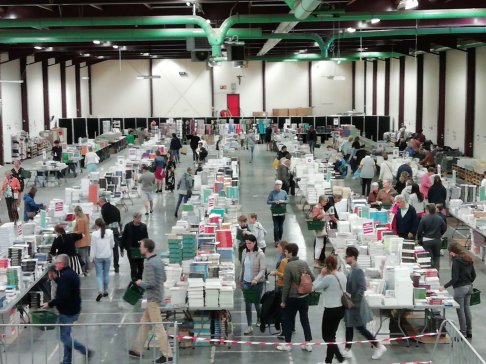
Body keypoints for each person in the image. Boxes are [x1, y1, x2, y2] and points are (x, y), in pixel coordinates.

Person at [42, 254, 94, 364]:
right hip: (73, 309)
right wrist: (56, 279)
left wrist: (50, 304)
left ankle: (85, 350)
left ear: (62, 264)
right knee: (66, 336)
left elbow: (62, 296)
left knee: (63, 337)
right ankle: (67, 361)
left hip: (67, 312)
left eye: (57, 263)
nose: (55, 265)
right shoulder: (69, 273)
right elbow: (66, 288)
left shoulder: (65, 276)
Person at [129, 239, 173, 363]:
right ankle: (137, 350)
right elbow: (163, 278)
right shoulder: (158, 260)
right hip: (158, 295)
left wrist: (139, 283)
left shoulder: (148, 263)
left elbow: (151, 283)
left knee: (158, 326)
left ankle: (167, 353)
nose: (139, 249)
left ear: (146, 249)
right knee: (144, 323)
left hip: (152, 298)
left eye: (141, 246)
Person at [343, 246, 386, 360]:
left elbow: (362, 288)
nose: (345, 258)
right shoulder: (352, 270)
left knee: (360, 327)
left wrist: (354, 302)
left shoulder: (357, 270)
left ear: (352, 257)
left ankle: (379, 345)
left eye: (347, 256)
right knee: (349, 325)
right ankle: (347, 349)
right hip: (351, 304)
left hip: (355, 305)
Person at [277, 243, 314, 352]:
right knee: (304, 320)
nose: (284, 253)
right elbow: (312, 277)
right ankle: (308, 343)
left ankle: (288, 344)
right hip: (304, 297)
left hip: (292, 298)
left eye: (286, 251)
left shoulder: (288, 266)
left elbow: (286, 285)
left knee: (288, 320)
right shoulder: (303, 263)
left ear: (291, 253)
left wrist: (283, 301)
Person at [313, 255, 348, 364]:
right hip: (341, 309)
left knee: (326, 336)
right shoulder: (342, 275)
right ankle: (328, 361)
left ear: (326, 265)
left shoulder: (328, 278)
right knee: (332, 335)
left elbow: (314, 287)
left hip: (330, 310)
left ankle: (340, 358)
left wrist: (321, 275)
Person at [443, 242, 476, 338]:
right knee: (467, 309)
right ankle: (469, 331)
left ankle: (463, 332)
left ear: (453, 252)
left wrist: (444, 286)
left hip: (460, 288)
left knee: (460, 310)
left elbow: (455, 278)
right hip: (469, 287)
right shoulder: (468, 259)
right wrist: (468, 282)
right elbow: (474, 275)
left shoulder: (456, 261)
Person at [240, 235, 266, 335]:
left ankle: (260, 318)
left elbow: (262, 270)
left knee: (257, 304)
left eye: (249, 243)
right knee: (248, 304)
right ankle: (249, 325)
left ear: (254, 243)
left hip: (257, 283)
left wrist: (256, 278)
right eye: (246, 243)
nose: (247, 245)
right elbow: (243, 267)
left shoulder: (260, 254)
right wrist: (240, 279)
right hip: (246, 282)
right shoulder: (244, 252)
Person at [90, 218, 114, 301]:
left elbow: (93, 247)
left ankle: (100, 291)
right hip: (107, 255)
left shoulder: (94, 234)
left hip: (98, 257)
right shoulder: (110, 232)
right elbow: (112, 244)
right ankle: (106, 290)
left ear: (97, 225)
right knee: (106, 274)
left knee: (99, 275)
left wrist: (91, 257)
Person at [417, 204, 447, 271]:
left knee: (429, 257)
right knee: (437, 257)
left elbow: (419, 231)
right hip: (437, 240)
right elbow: (444, 228)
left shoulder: (424, 219)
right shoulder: (440, 218)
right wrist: (440, 234)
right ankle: (436, 273)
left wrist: (419, 239)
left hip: (426, 240)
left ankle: (430, 274)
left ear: (427, 210)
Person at [121, 212, 149, 281]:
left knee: (140, 266)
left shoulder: (143, 226)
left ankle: (139, 279)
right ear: (134, 218)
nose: (139, 220)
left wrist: (144, 244)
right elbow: (124, 237)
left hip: (140, 249)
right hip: (131, 249)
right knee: (133, 266)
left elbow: (146, 237)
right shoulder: (128, 226)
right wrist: (122, 248)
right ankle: (134, 280)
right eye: (137, 218)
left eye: (140, 218)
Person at [98, 197, 122, 273]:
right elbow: (119, 220)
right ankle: (116, 266)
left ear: (102, 202)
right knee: (115, 249)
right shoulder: (115, 208)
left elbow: (106, 221)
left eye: (99, 203)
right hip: (115, 231)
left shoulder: (104, 209)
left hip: (108, 232)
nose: (99, 205)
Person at [310, 195, 329, 268]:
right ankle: (316, 262)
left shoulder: (320, 207)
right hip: (319, 228)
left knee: (320, 245)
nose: (326, 203)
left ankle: (317, 261)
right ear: (321, 201)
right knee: (319, 246)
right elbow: (314, 218)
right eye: (325, 201)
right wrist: (323, 215)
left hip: (321, 227)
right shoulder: (316, 207)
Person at [72, 206, 91, 276]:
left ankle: (82, 271)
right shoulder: (85, 217)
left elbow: (80, 231)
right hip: (87, 239)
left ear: (76, 212)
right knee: (86, 256)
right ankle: (87, 270)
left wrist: (73, 232)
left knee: (82, 257)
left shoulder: (80, 220)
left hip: (82, 241)